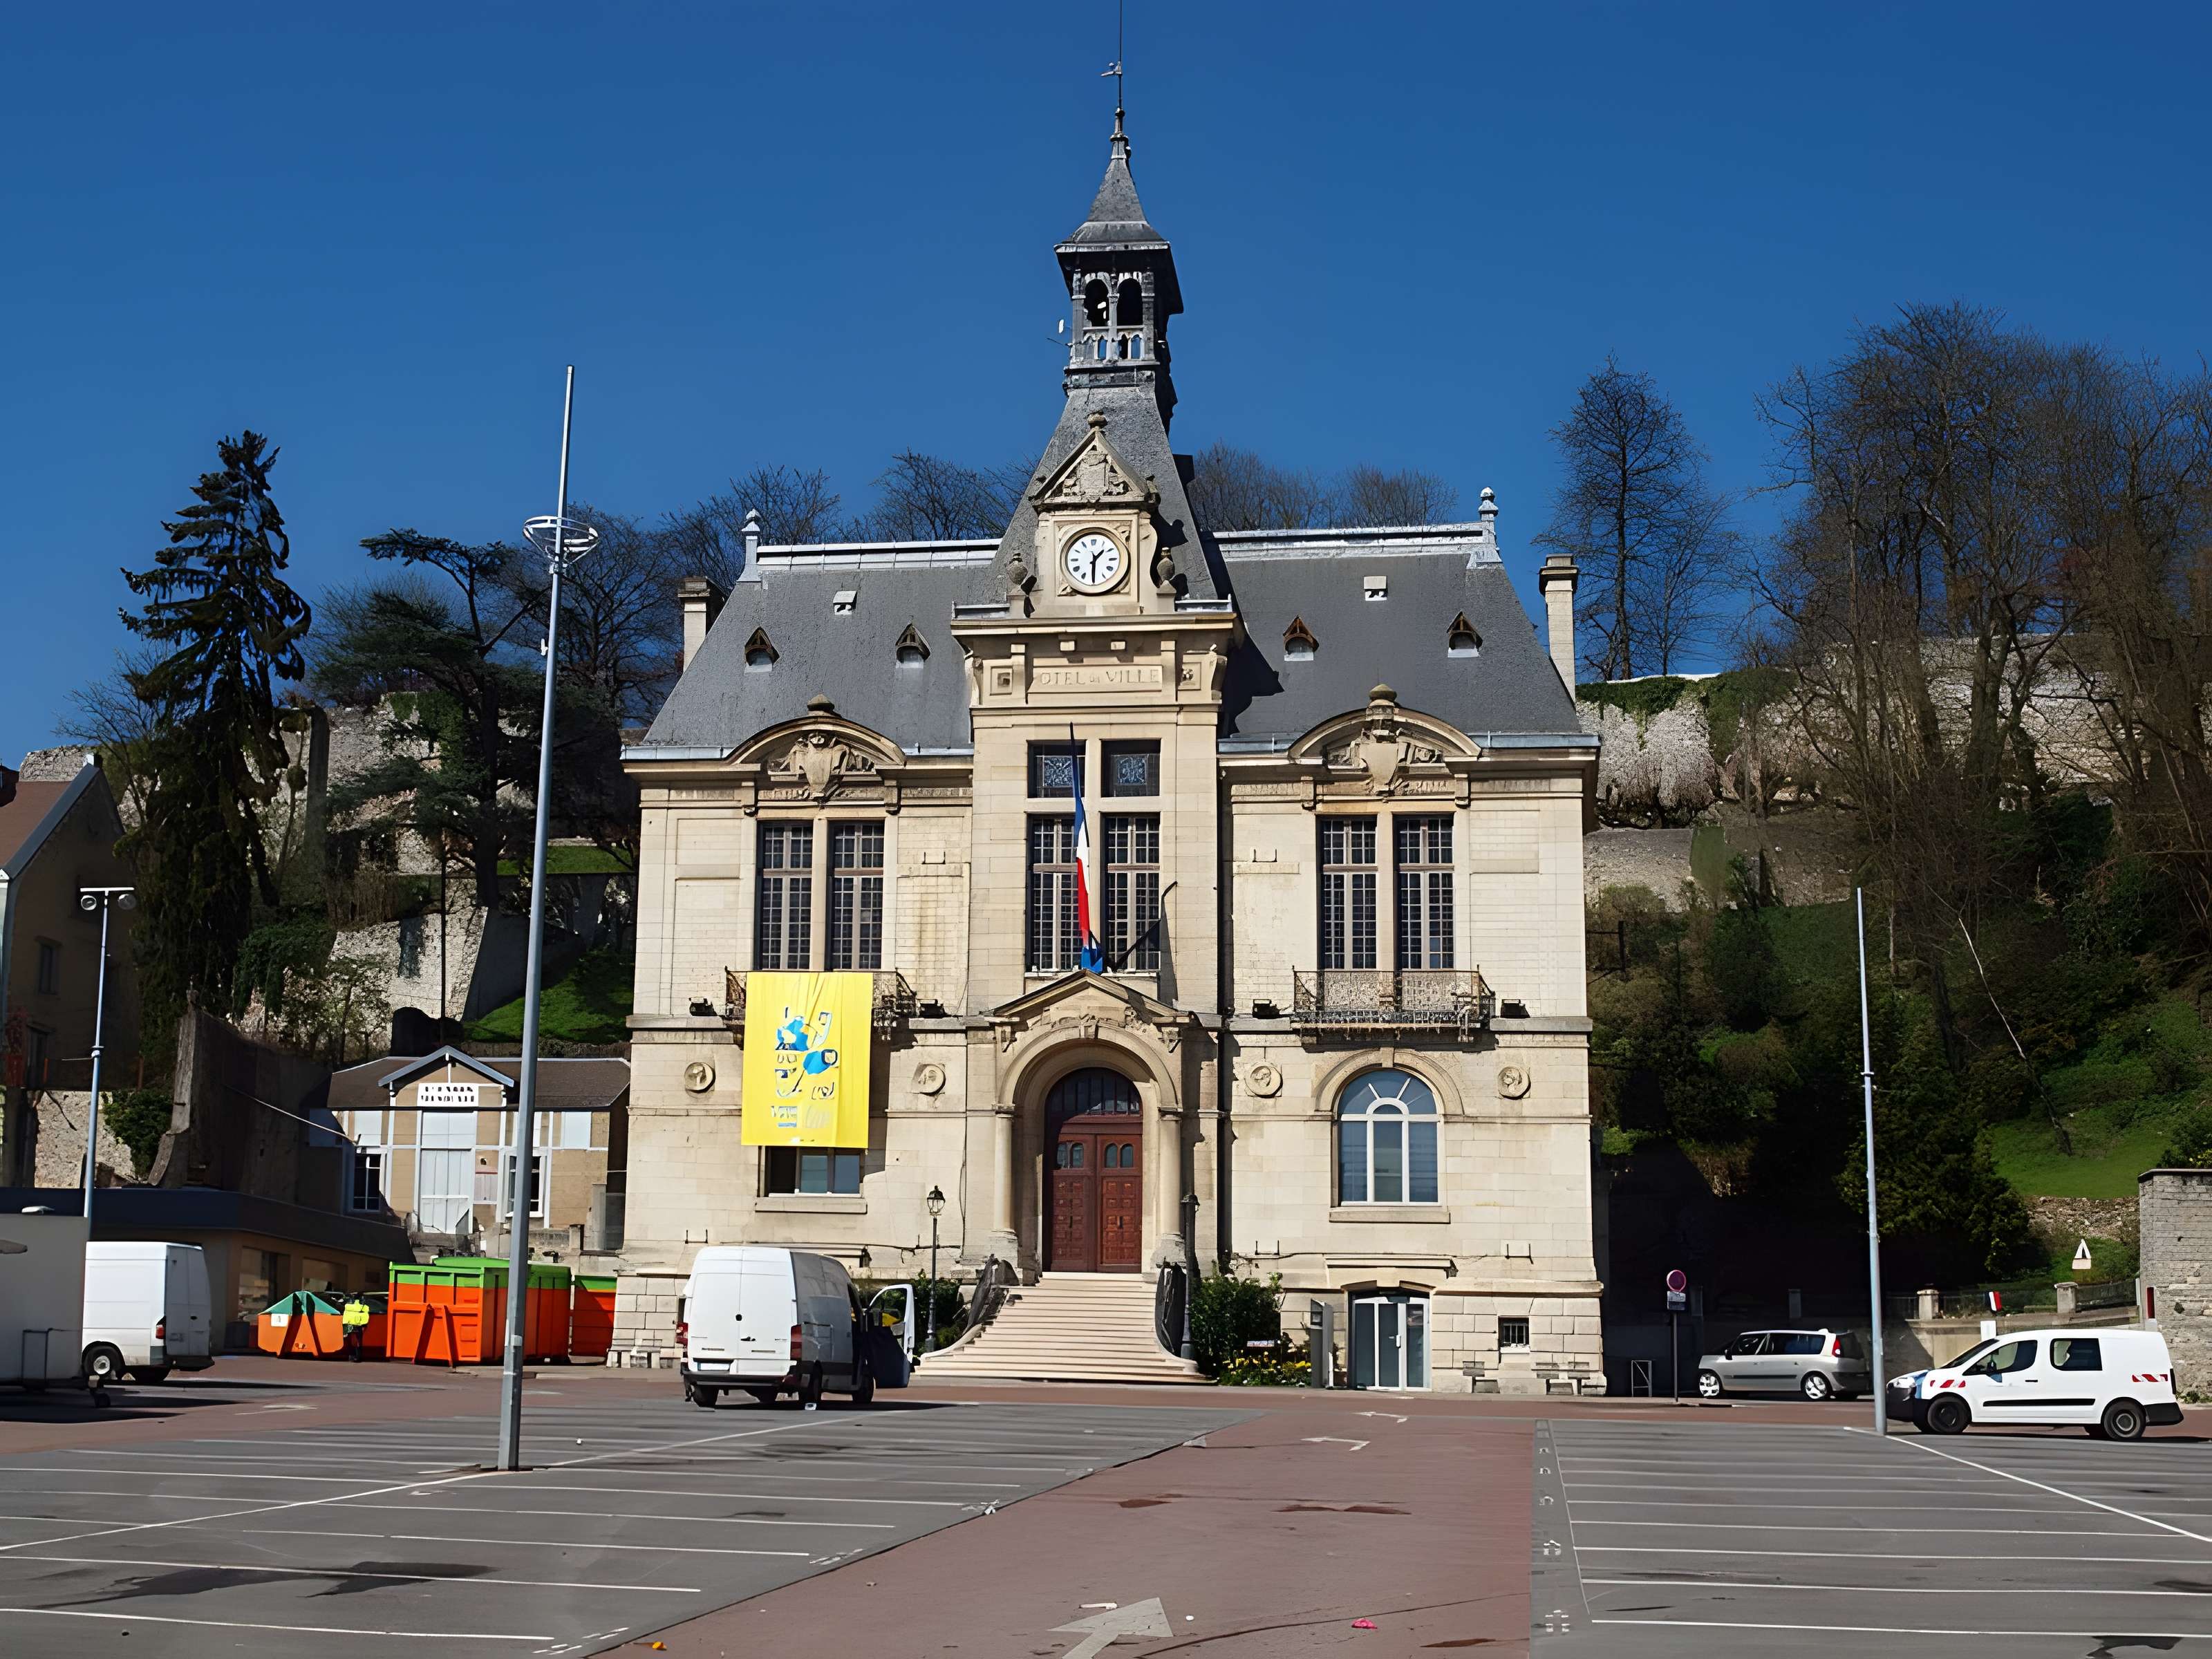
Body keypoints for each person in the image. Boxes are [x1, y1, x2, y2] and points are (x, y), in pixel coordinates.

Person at [340, 1295, 372, 1362]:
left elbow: (345, 1314)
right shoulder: (364, 1306)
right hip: (358, 1324)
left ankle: (352, 1355)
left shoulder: (347, 1306)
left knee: (349, 1340)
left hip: (348, 1323)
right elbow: (365, 1315)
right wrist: (365, 1325)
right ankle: (358, 1357)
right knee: (358, 1340)